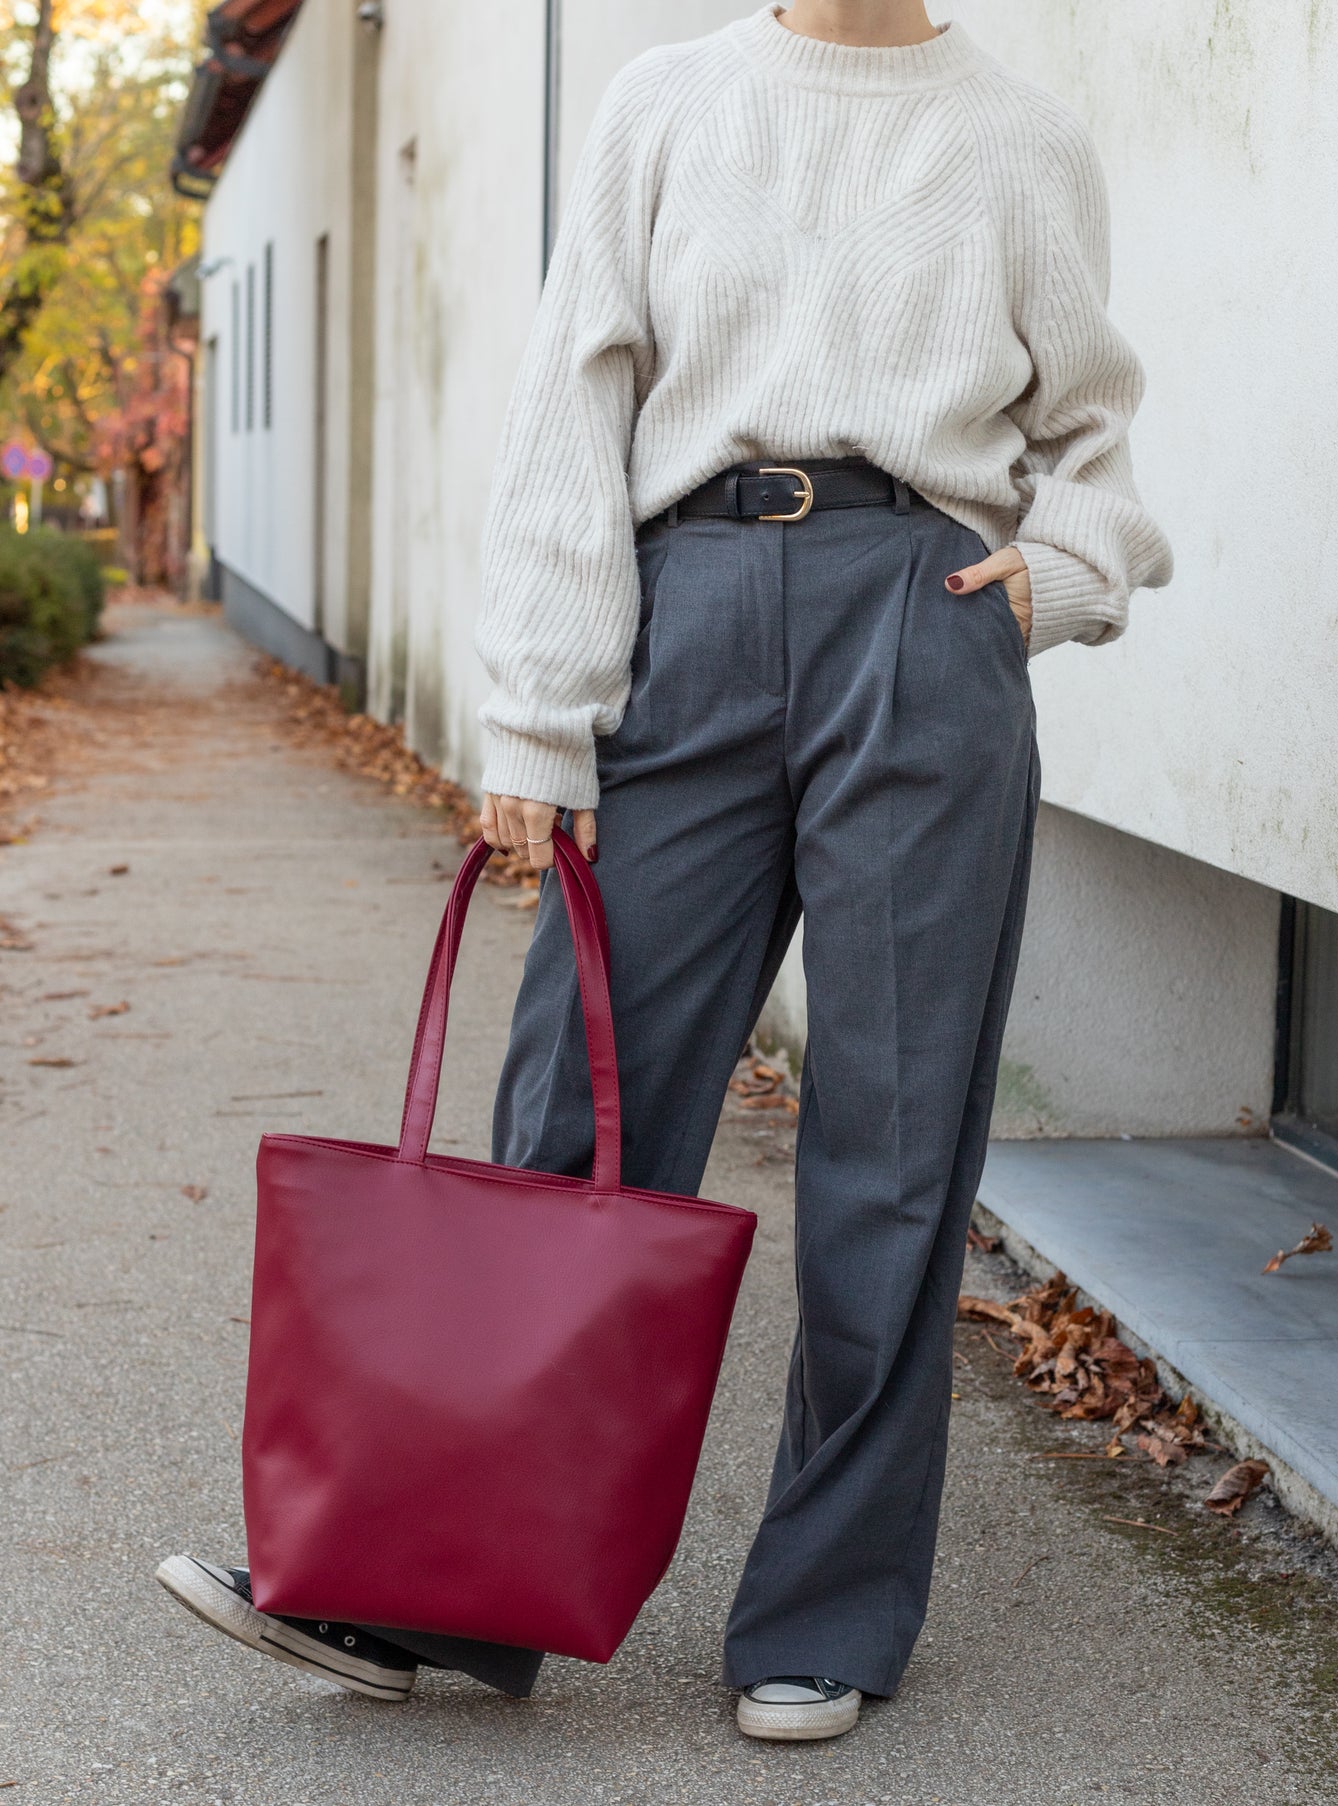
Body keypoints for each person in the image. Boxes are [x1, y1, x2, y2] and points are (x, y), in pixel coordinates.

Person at [158, 0, 1172, 1742]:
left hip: (922, 628)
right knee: (575, 1109)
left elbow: (1089, 439)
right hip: (688, 609)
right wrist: (537, 722)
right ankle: (437, 1590)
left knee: (895, 1138)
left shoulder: (1020, 139)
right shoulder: (665, 102)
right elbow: (574, 397)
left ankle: (827, 1609)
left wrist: (1048, 581)